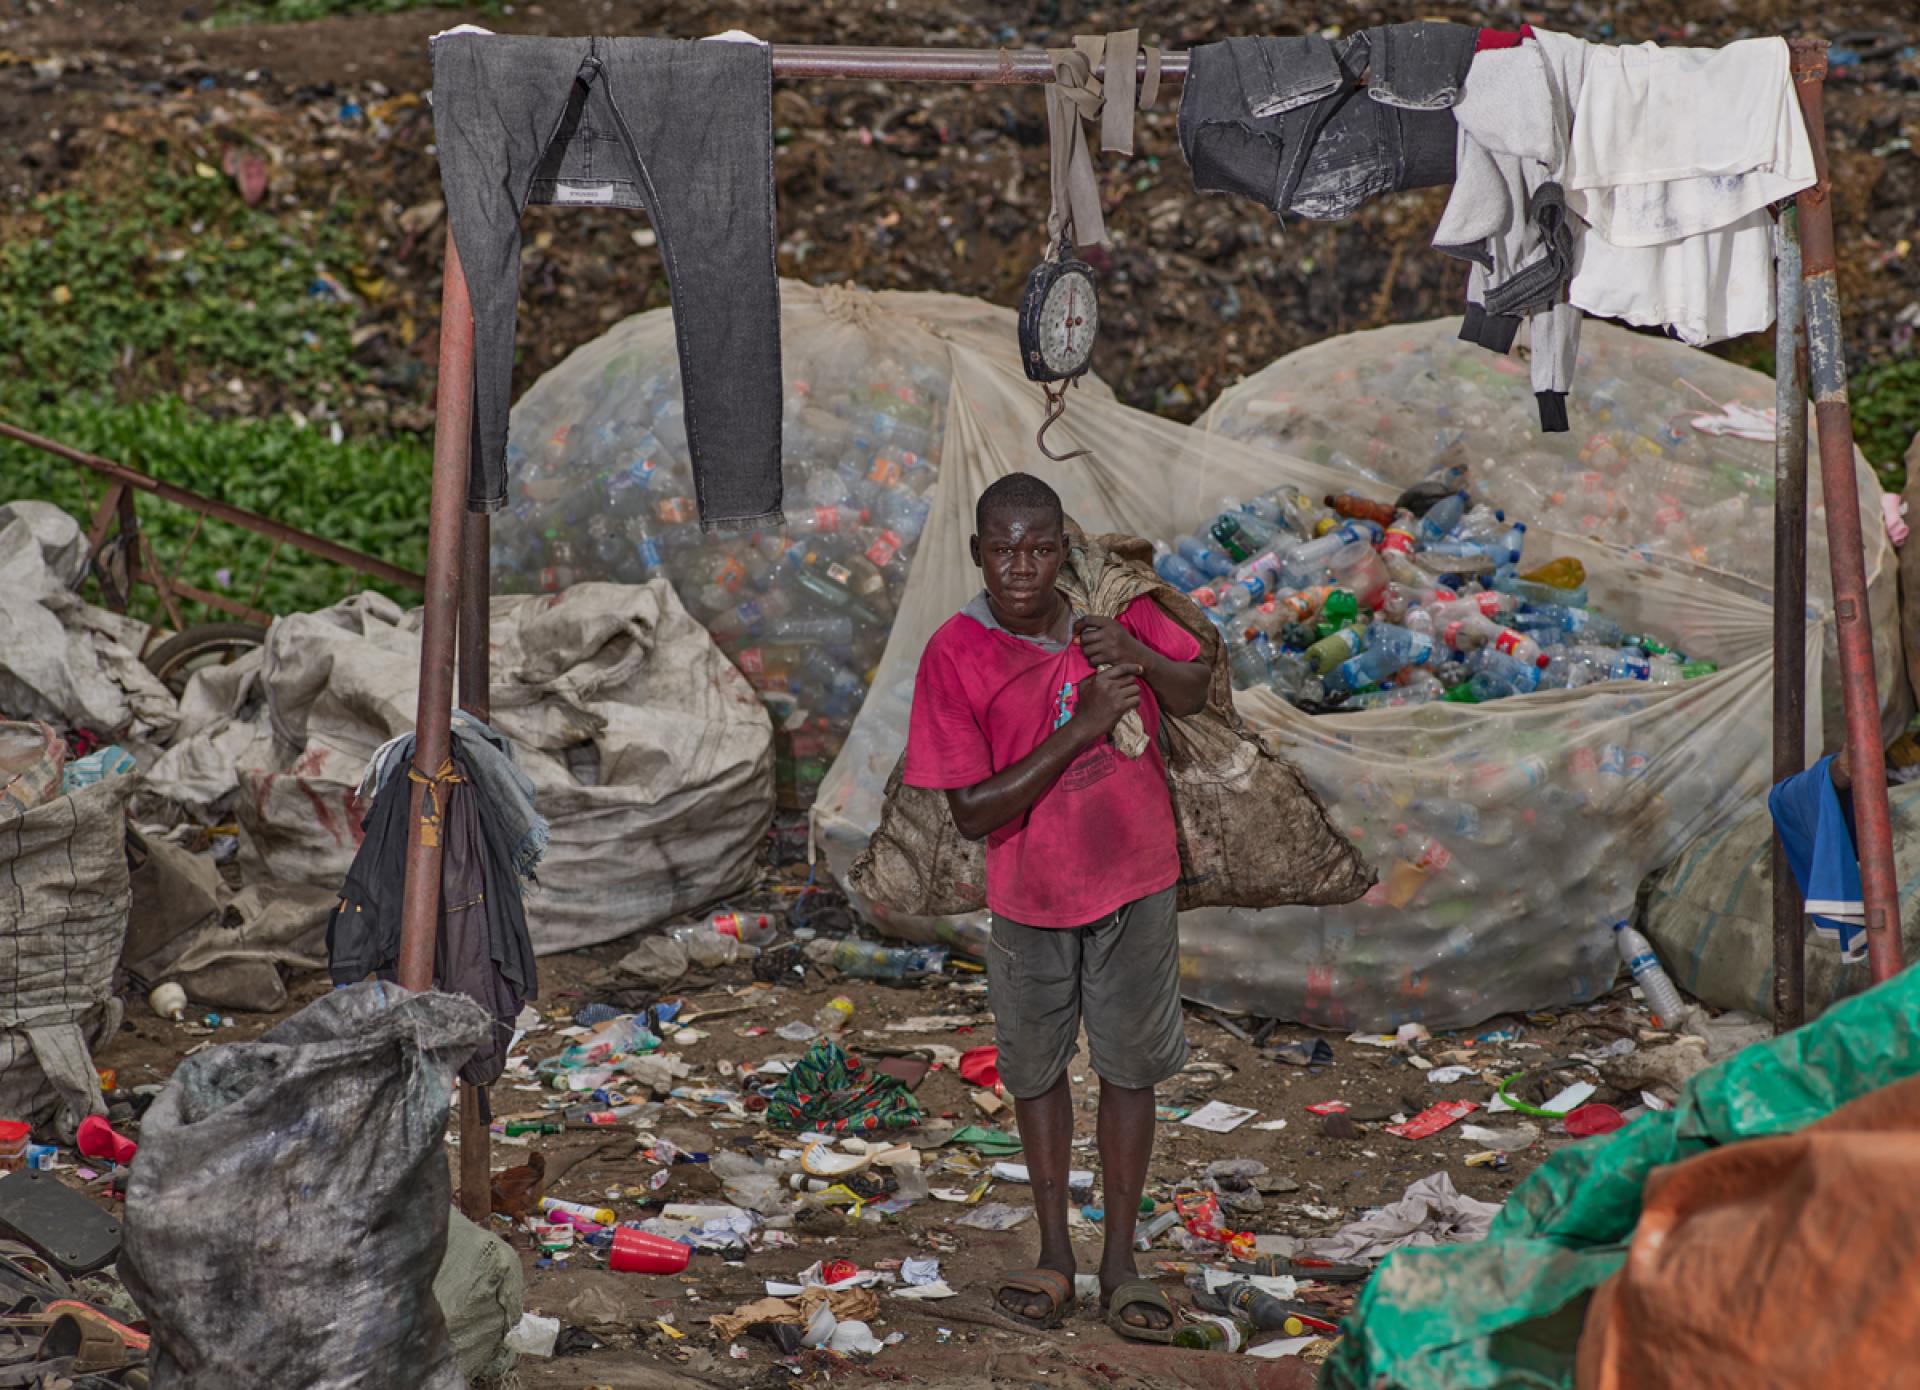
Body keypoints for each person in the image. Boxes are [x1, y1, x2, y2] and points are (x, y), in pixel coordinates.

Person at [901, 473, 1210, 1340]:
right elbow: (972, 810)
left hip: (1134, 876)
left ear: (1063, 551)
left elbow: (1194, 692)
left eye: (1040, 548)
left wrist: (1140, 659)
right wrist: (1081, 728)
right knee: (1035, 1074)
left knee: (1128, 1068)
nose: (1022, 567)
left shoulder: (1111, 614)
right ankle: (1053, 1256)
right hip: (1029, 894)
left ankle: (1120, 1263)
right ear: (978, 554)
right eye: (1004, 550)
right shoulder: (955, 652)